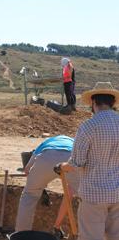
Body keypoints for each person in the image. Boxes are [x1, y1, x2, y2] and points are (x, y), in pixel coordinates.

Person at [58, 82, 119, 240]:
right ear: (112, 102)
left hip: (94, 194)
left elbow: (76, 163)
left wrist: (62, 167)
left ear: (93, 102)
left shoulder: (89, 126)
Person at [15, 135, 79, 237]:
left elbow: (27, 169)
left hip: (46, 157)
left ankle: (21, 235)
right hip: (69, 160)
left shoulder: (47, 142)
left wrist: (36, 181)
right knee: (72, 195)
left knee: (29, 195)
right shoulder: (74, 142)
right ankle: (57, 226)